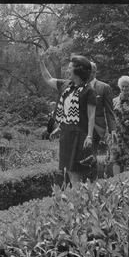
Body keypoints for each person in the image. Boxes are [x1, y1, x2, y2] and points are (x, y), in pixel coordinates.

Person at [39, 52, 97, 184]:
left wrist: (89, 136)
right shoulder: (66, 86)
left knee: (79, 168)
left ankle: (82, 197)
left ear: (77, 70)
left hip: (80, 134)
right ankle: (77, 196)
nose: (67, 70)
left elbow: (91, 115)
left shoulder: (89, 91)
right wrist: (41, 63)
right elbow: (48, 79)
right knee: (69, 169)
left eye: (70, 68)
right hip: (66, 134)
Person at [110, 76, 129, 175]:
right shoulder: (114, 101)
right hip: (117, 133)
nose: (124, 88)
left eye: (126, 86)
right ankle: (117, 182)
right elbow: (110, 117)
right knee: (116, 158)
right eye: (122, 86)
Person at [89, 62, 116, 156]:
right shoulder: (79, 86)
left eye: (91, 72)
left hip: (97, 126)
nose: (89, 74)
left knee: (92, 153)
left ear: (95, 72)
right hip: (81, 126)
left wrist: (112, 129)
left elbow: (109, 110)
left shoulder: (104, 87)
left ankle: (93, 170)